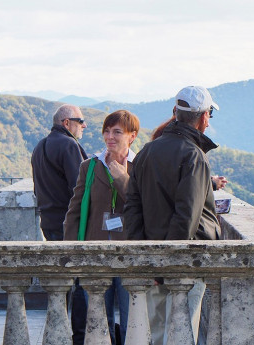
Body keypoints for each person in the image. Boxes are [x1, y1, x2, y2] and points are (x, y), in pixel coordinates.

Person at [125, 86, 222, 345]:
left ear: (175, 113)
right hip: (184, 265)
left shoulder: (146, 152)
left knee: (156, 334)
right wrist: (170, 266)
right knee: (181, 333)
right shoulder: (194, 157)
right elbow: (186, 217)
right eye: (210, 114)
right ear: (203, 118)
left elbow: (132, 208)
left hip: (152, 260)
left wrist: (146, 258)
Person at [64, 110, 140, 345]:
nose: (110, 137)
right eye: (107, 131)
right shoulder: (90, 166)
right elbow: (74, 211)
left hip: (130, 256)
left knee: (132, 322)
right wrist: (70, 252)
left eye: (117, 132)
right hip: (95, 254)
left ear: (132, 136)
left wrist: (121, 176)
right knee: (99, 322)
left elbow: (143, 205)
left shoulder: (139, 166)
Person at [31, 104, 89, 344]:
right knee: (79, 282)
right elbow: (80, 188)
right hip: (70, 225)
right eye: (80, 121)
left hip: (49, 222)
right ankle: (79, 336)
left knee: (60, 283)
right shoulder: (69, 145)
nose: (84, 125)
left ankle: (57, 333)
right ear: (67, 123)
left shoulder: (39, 147)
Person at [152, 115, 227, 190]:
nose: (207, 125)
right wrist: (212, 184)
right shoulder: (189, 152)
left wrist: (209, 180)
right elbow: (188, 187)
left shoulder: (154, 148)